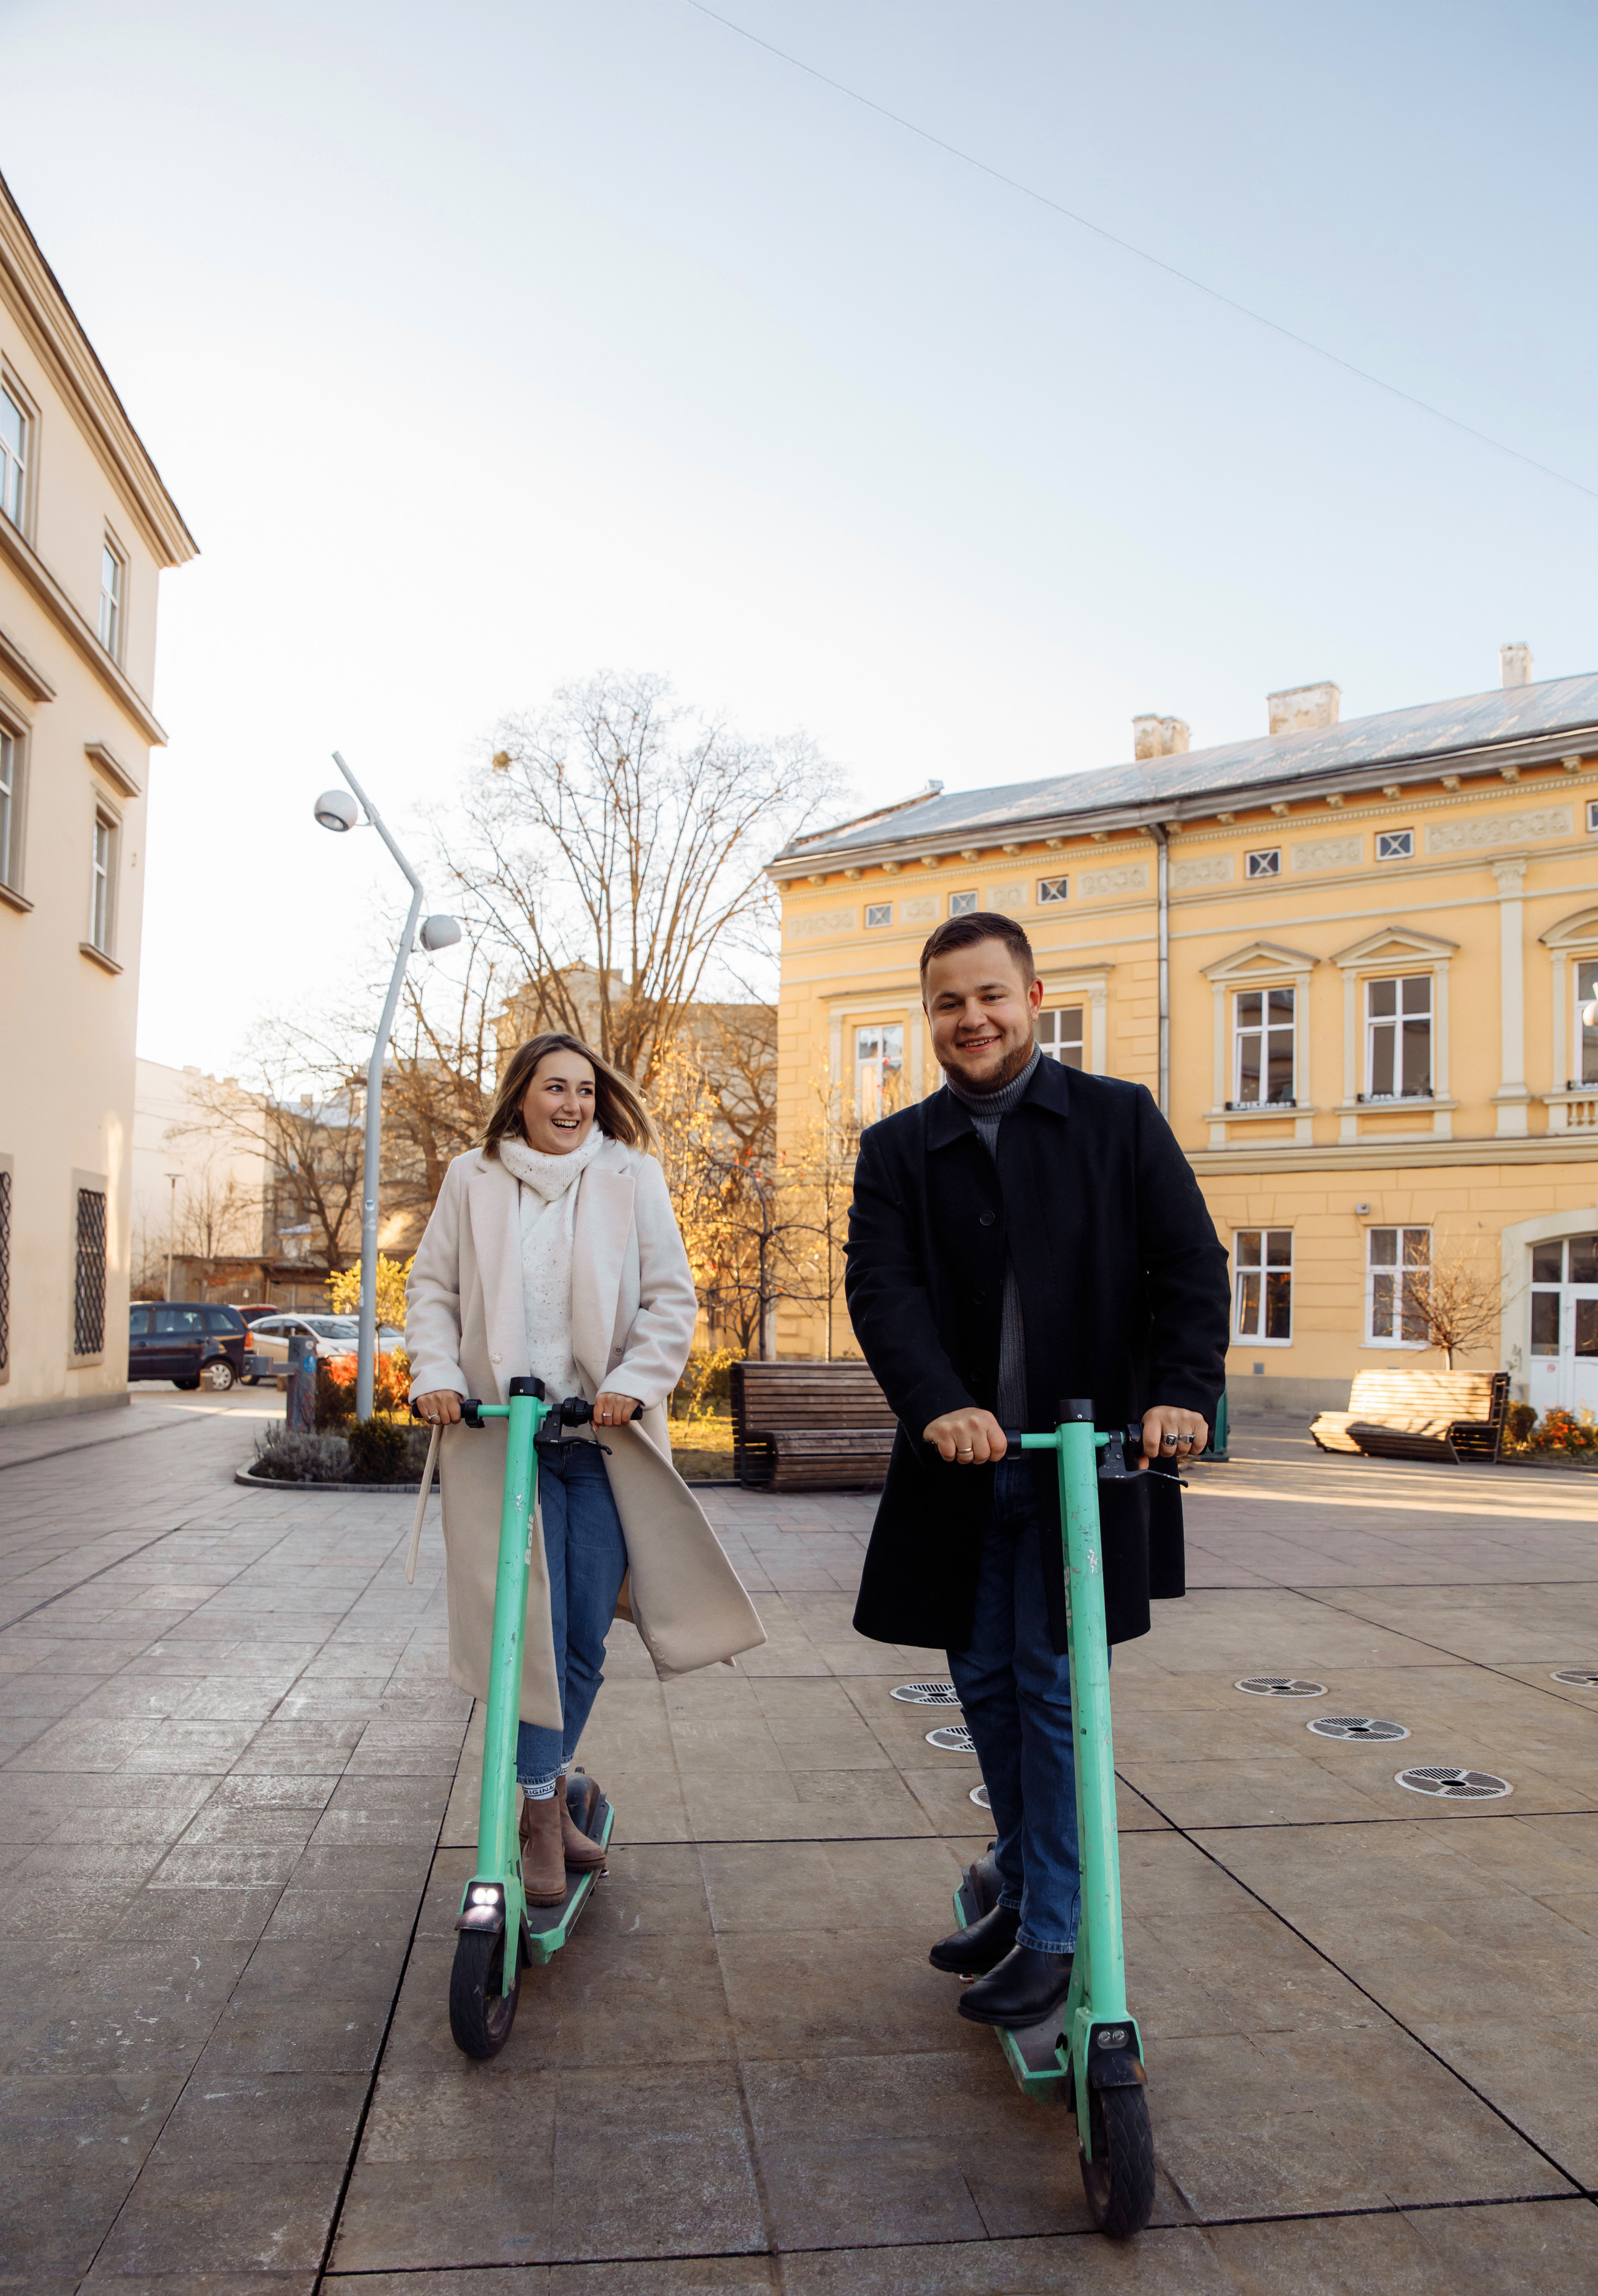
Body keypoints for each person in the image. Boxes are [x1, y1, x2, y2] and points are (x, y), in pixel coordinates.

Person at [845, 913, 1229, 2028]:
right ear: (930, 1017)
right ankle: (1019, 1891)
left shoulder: (1116, 1119)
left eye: (990, 996)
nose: (971, 1019)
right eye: (947, 1004)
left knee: (1055, 1694)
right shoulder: (898, 1150)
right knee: (988, 1691)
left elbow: (1191, 1266)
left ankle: (1056, 1931)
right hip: (966, 1474)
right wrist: (941, 1405)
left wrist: (1181, 1391)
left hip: (1088, 1469)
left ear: (1033, 995)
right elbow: (886, 1295)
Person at [407, 1031, 765, 1903]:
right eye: (553, 1088)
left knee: (584, 1636)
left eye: (584, 1090)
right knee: (528, 1629)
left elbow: (669, 1296)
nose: (571, 1105)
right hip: (505, 1439)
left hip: (601, 1441)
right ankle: (538, 1812)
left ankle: (548, 1784)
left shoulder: (629, 1175)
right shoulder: (473, 1176)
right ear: (520, 1096)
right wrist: (440, 1378)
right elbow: (434, 1288)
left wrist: (632, 1385)